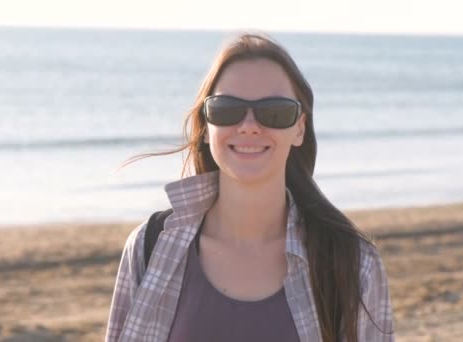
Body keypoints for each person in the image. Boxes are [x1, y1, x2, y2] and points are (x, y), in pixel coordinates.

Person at [105, 32, 394, 342]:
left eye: (275, 111)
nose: (249, 126)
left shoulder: (352, 263)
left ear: (299, 128)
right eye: (227, 108)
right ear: (205, 128)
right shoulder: (149, 247)